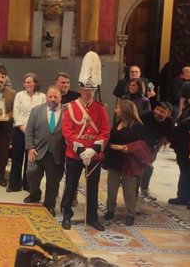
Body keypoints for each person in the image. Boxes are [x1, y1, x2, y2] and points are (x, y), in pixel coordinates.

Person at [60, 52, 110, 232]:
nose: (89, 93)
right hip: (74, 153)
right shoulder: (71, 107)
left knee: (93, 188)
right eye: (86, 90)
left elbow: (105, 131)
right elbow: (67, 130)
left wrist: (94, 150)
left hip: (94, 155)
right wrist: (81, 149)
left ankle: (92, 217)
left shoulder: (100, 109)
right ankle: (66, 214)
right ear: (80, 89)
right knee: (71, 185)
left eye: (92, 90)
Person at [104, 100, 150, 226]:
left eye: (118, 108)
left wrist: (125, 148)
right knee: (111, 188)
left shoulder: (138, 126)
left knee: (129, 190)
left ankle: (130, 213)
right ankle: (110, 210)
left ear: (125, 110)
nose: (116, 110)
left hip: (129, 163)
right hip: (114, 161)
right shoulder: (118, 122)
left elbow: (141, 145)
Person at [24, 86, 65, 217]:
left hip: (57, 153)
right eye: (50, 96)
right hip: (37, 151)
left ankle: (49, 204)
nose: (52, 99)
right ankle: (34, 195)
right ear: (46, 97)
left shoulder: (67, 112)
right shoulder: (36, 111)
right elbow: (29, 131)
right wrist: (30, 147)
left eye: (55, 97)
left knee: (53, 181)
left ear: (60, 98)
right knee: (31, 173)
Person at [9, 73, 46, 192]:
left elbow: (43, 113)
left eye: (29, 82)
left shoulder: (42, 97)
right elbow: (16, 113)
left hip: (36, 132)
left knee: (30, 159)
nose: (27, 84)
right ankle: (14, 185)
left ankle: (28, 184)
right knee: (16, 158)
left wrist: (32, 130)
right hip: (20, 130)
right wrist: (22, 127)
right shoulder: (19, 95)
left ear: (35, 83)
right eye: (25, 82)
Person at [138, 102, 174, 201]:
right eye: (157, 109)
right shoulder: (144, 115)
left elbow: (163, 137)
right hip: (137, 142)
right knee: (136, 166)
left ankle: (144, 189)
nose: (158, 113)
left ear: (168, 113)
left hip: (150, 145)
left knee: (148, 167)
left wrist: (154, 153)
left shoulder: (169, 122)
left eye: (162, 111)